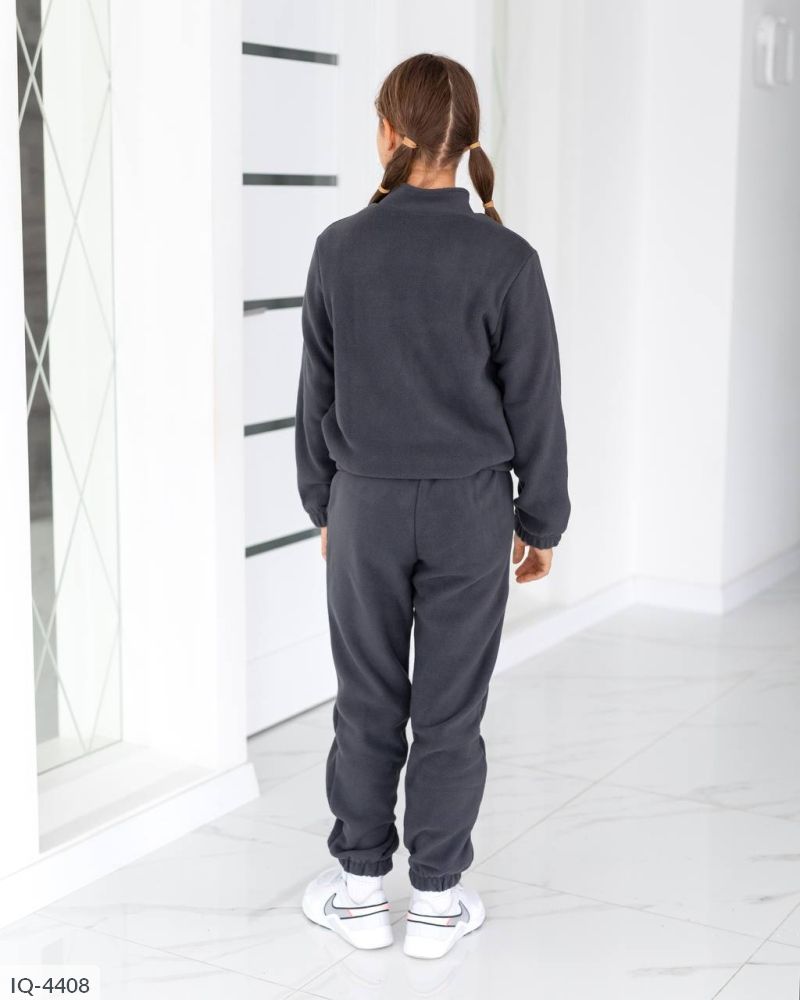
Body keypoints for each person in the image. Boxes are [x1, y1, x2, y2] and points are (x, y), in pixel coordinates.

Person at [294, 52, 570, 959]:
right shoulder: (508, 258)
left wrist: (324, 504)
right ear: (468, 141)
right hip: (470, 512)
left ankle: (360, 893)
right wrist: (541, 522)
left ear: (388, 133)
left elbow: (316, 393)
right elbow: (535, 402)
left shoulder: (339, 248)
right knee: (451, 709)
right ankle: (438, 904)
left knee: (366, 697)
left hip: (366, 508)